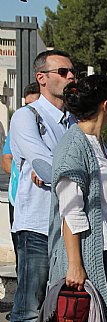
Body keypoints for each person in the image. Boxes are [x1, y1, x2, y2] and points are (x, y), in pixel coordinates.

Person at [9, 49, 77, 322]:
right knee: (28, 306)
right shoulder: (27, 117)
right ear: (42, 77)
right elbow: (43, 161)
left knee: (58, 307)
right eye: (63, 72)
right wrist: (56, 173)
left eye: (72, 72)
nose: (70, 77)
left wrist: (56, 173)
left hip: (65, 227)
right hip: (36, 226)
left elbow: (66, 168)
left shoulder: (73, 122)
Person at [49, 74, 107, 322]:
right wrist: (75, 263)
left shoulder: (100, 146)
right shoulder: (74, 146)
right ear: (106, 105)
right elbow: (71, 209)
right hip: (91, 251)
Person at [2, 83, 40, 269]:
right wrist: (21, 173)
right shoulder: (19, 125)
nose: (30, 111)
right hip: (18, 197)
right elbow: (6, 159)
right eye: (27, 106)